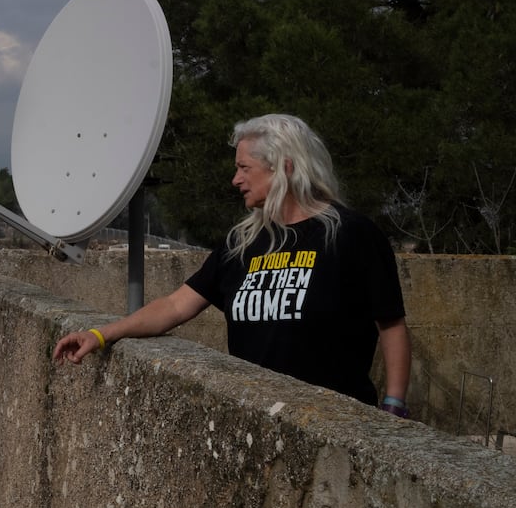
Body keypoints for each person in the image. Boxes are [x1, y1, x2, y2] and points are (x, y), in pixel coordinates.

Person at [52, 113, 411, 416]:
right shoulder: (242, 243)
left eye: (244, 168)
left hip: (336, 425)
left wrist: (394, 407)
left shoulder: (352, 235)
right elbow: (176, 306)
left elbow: (391, 323)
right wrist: (101, 334)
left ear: (283, 168)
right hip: (255, 418)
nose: (235, 179)